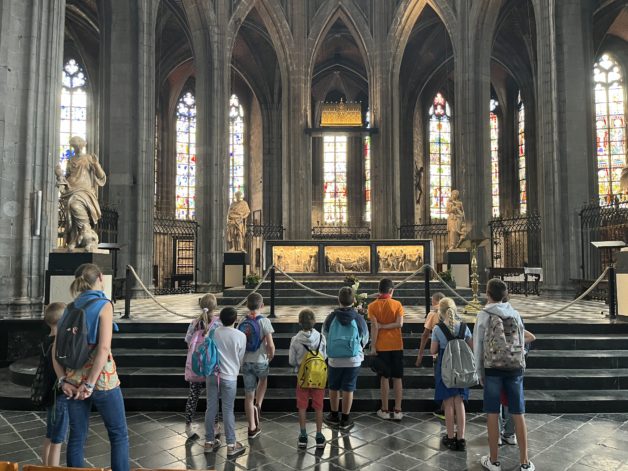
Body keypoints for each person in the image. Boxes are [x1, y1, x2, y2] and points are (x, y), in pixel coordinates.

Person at [52, 263, 129, 471]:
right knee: (118, 434)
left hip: (72, 381)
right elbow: (103, 348)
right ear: (100, 278)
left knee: (77, 436)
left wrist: (62, 380)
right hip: (102, 381)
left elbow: (55, 350)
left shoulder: (69, 308)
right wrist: (90, 384)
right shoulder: (104, 305)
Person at [474, 278, 535, 471]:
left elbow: (478, 346)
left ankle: (494, 461)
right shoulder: (515, 313)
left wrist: (479, 372)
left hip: (492, 368)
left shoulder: (483, 315)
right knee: (518, 413)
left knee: (492, 413)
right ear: (505, 295)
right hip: (515, 368)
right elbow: (521, 340)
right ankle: (525, 462)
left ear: (487, 293)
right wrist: (521, 364)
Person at [323, 287, 369, 430]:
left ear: (338, 300)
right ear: (354, 300)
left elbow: (324, 335)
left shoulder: (331, 317)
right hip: (353, 359)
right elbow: (365, 338)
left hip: (334, 360)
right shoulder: (359, 318)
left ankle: (333, 415)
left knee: (333, 387)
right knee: (349, 388)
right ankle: (345, 418)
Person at [431, 297, 473, 451]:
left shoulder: (438, 329)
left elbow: (433, 350)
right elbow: (471, 346)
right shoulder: (464, 327)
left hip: (446, 367)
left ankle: (449, 437)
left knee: (448, 402)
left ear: (440, 312)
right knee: (459, 401)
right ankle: (461, 439)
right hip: (462, 367)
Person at [204, 307, 247, 457]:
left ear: (220, 319)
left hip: (212, 375)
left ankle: (209, 442)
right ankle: (231, 445)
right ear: (235, 320)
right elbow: (241, 357)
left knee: (211, 408)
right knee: (228, 410)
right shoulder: (240, 335)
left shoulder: (213, 332)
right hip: (229, 376)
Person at [55, 136, 107, 251]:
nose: (77, 147)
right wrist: (59, 175)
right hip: (71, 189)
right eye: (75, 145)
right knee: (72, 215)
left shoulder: (89, 158)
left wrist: (96, 164)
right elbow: (67, 176)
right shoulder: (70, 160)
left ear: (83, 145)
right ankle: (75, 239)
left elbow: (101, 176)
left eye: (79, 144)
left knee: (75, 205)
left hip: (84, 190)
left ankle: (86, 236)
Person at [289, 308, 327, 449]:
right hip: (318, 378)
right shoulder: (321, 338)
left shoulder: (295, 340)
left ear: (299, 322)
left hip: (302, 378)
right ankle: (319, 435)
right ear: (314, 322)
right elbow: (325, 356)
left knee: (302, 406)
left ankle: (303, 435)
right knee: (319, 407)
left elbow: (292, 361)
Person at [184, 293, 221, 439]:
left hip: (196, 365)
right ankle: (215, 426)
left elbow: (188, 340)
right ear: (215, 306)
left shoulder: (194, 323)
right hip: (212, 365)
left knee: (193, 395)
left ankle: (188, 426)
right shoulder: (218, 323)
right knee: (213, 397)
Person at [368, 278, 405, 420]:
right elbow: (399, 324)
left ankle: (384, 409)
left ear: (379, 290)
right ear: (391, 290)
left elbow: (374, 327)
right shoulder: (397, 304)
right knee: (397, 377)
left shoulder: (372, 306)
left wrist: (373, 346)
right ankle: (398, 410)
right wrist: (386, 326)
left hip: (381, 346)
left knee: (384, 378)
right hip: (396, 345)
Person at [241, 293, 275, 438]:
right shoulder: (265, 321)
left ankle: (252, 428)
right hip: (260, 360)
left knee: (248, 394)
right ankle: (258, 404)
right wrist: (271, 355)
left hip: (246, 361)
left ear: (247, 305)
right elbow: (270, 344)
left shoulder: (243, 320)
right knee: (263, 380)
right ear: (262, 306)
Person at [40, 302, 69, 466]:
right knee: (57, 440)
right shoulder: (59, 344)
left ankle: (44, 467)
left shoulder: (46, 340)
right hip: (59, 394)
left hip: (49, 393)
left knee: (49, 436)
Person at [499, 329, 536, 446]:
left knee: (497, 401)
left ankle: (498, 434)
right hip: (514, 368)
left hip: (498, 366)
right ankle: (509, 434)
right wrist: (517, 345)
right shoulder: (515, 326)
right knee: (511, 401)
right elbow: (531, 337)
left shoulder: (495, 325)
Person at [415, 292, 446, 419]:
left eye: (432, 301)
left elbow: (425, 335)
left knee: (441, 380)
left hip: (439, 352)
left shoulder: (433, 314)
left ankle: (444, 409)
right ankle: (449, 407)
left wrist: (420, 354)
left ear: (436, 301)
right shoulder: (453, 314)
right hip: (454, 353)